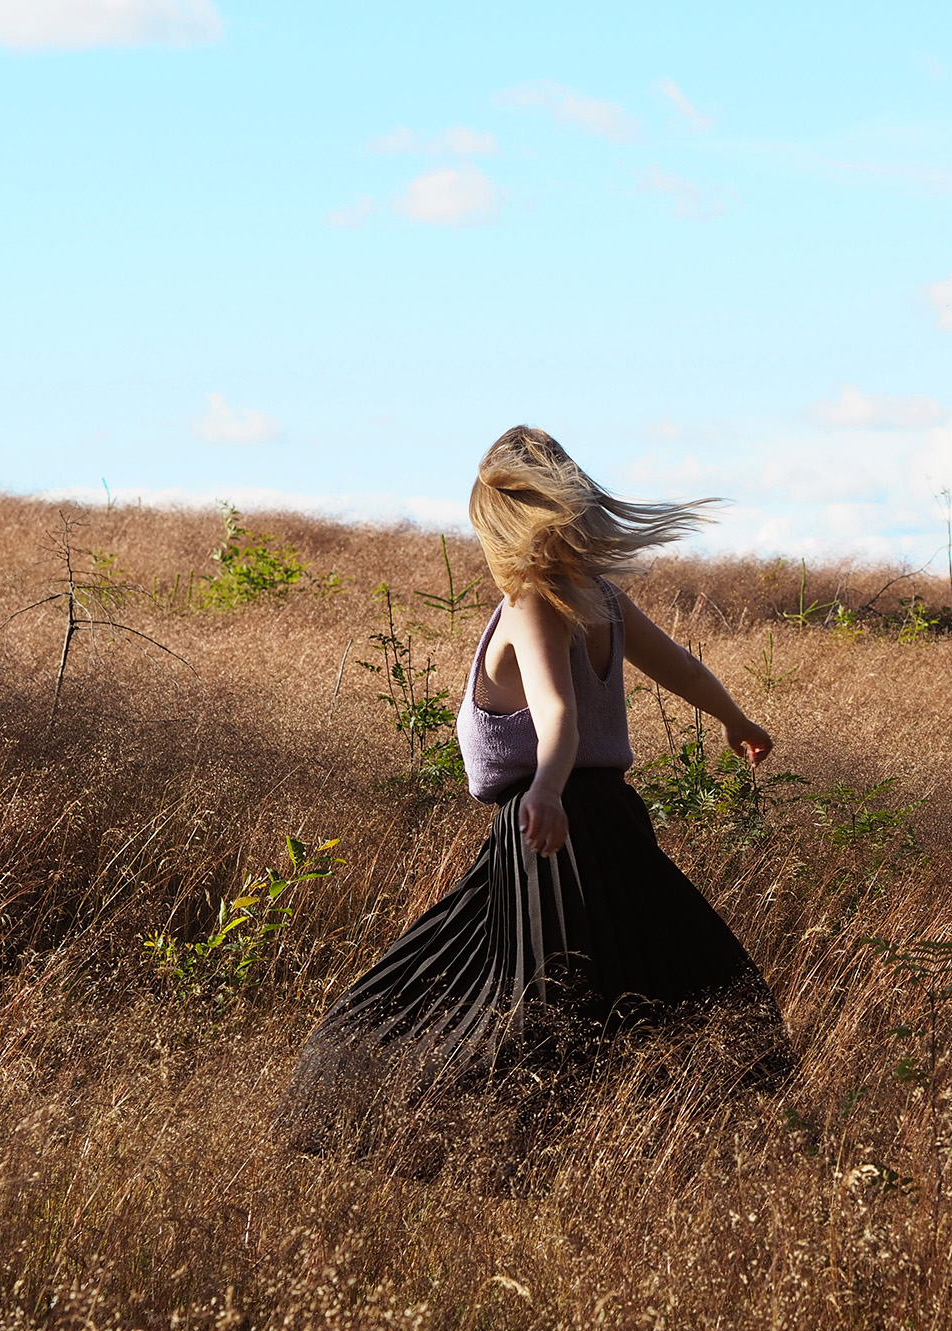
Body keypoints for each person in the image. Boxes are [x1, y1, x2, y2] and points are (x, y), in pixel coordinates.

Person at [277, 426, 790, 1156]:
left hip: (549, 830)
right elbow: (683, 666)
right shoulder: (599, 597)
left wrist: (546, 790)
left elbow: (557, 715)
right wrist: (736, 719)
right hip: (611, 820)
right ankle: (654, 1146)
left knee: (492, 1004)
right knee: (646, 980)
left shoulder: (533, 603)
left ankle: (493, 1153)